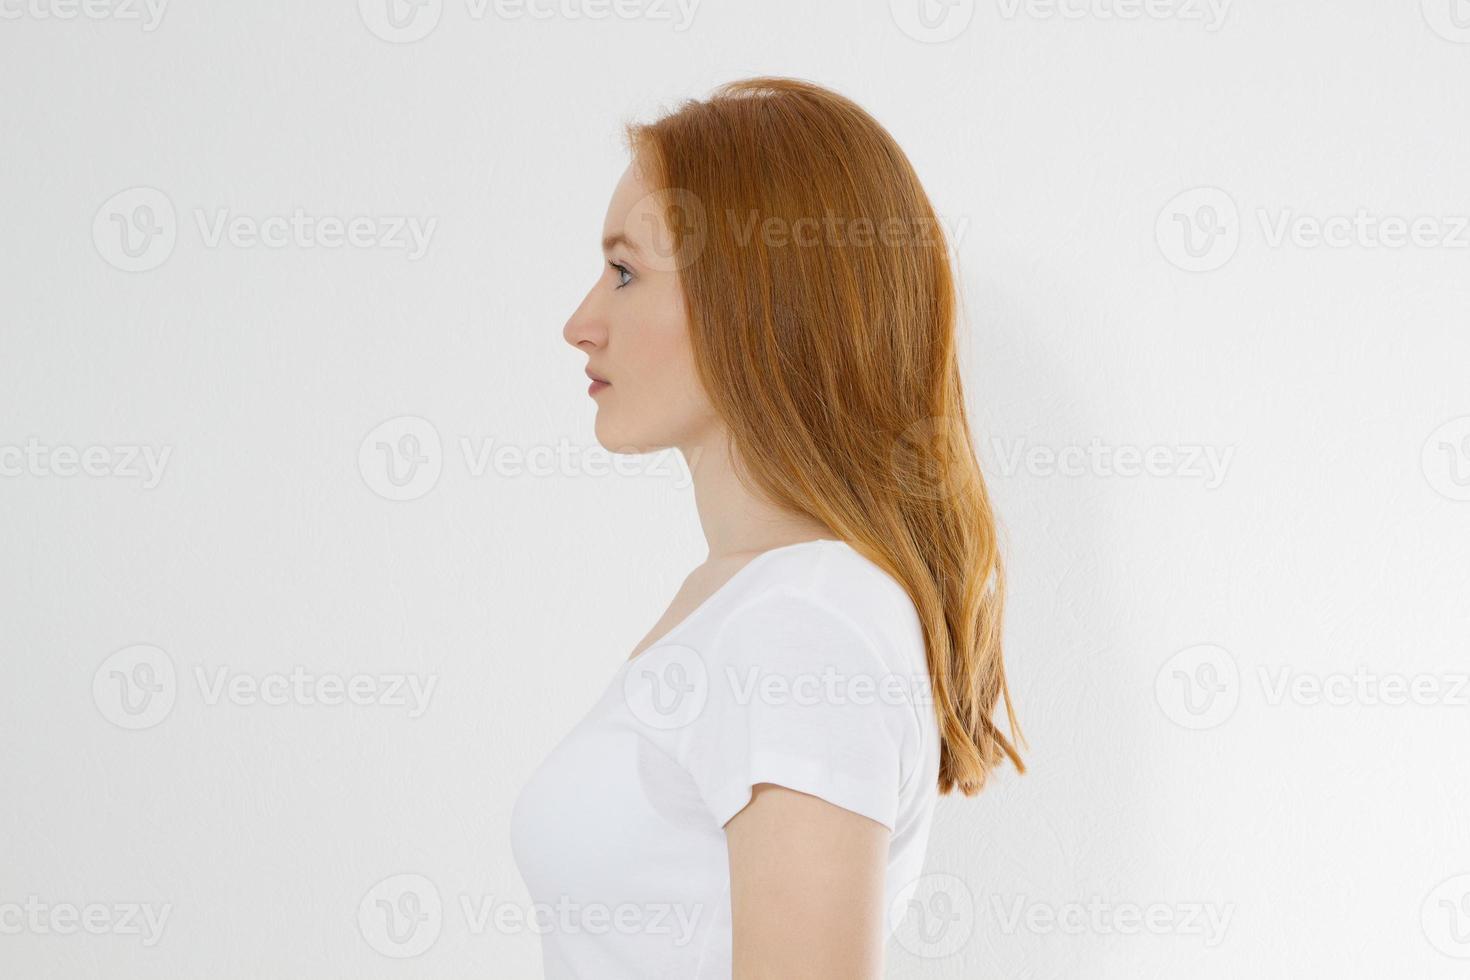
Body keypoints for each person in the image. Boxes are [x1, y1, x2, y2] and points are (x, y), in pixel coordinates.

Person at [511, 76, 1024, 979]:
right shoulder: (753, 598)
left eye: (626, 272)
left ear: (756, 300)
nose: (579, 323)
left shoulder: (809, 622)